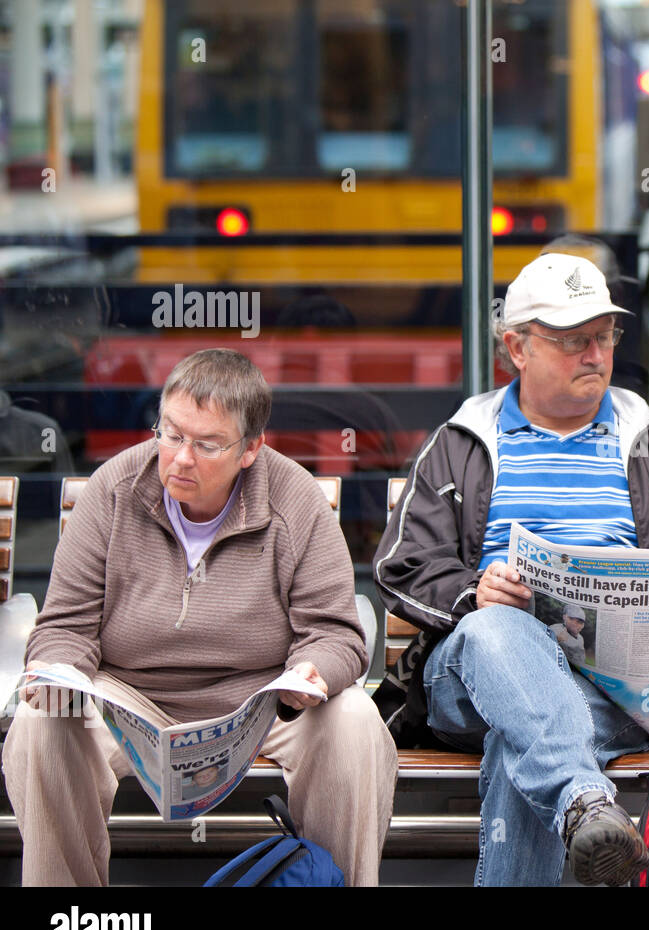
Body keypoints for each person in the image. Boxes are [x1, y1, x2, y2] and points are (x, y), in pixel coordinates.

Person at [374, 252, 649, 886]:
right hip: (476, 679)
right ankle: (579, 795)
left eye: (604, 337)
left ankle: (582, 807)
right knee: (497, 630)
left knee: (523, 744)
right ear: (517, 347)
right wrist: (472, 592)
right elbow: (404, 567)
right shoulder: (462, 443)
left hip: (621, 693)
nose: (595, 354)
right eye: (573, 341)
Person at [2, 349, 397, 886]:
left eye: (207, 444)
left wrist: (313, 671)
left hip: (257, 706)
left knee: (352, 720)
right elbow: (64, 623)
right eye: (170, 434)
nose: (181, 458)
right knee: (40, 721)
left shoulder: (296, 500)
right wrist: (57, 669)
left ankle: (326, 882)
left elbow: (336, 632)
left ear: (251, 448)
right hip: (127, 698)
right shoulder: (115, 490)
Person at [550, 605, 589, 669]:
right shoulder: (556, 629)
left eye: (581, 622)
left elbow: (582, 659)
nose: (576, 625)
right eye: (571, 619)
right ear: (565, 617)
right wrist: (557, 639)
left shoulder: (580, 638)